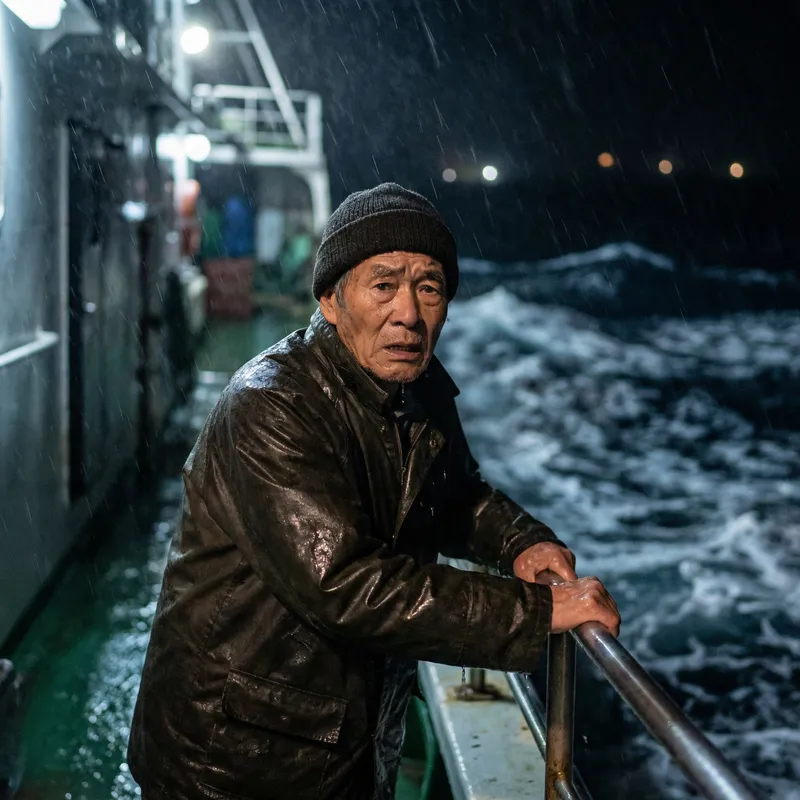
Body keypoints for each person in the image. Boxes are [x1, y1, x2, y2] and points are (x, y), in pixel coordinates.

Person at [127, 183, 620, 800]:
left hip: (344, 735)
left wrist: (520, 541)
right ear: (331, 301)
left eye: (429, 288)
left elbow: (450, 492)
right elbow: (347, 585)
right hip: (234, 755)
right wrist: (537, 612)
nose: (409, 314)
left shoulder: (418, 387)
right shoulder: (272, 405)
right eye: (383, 285)